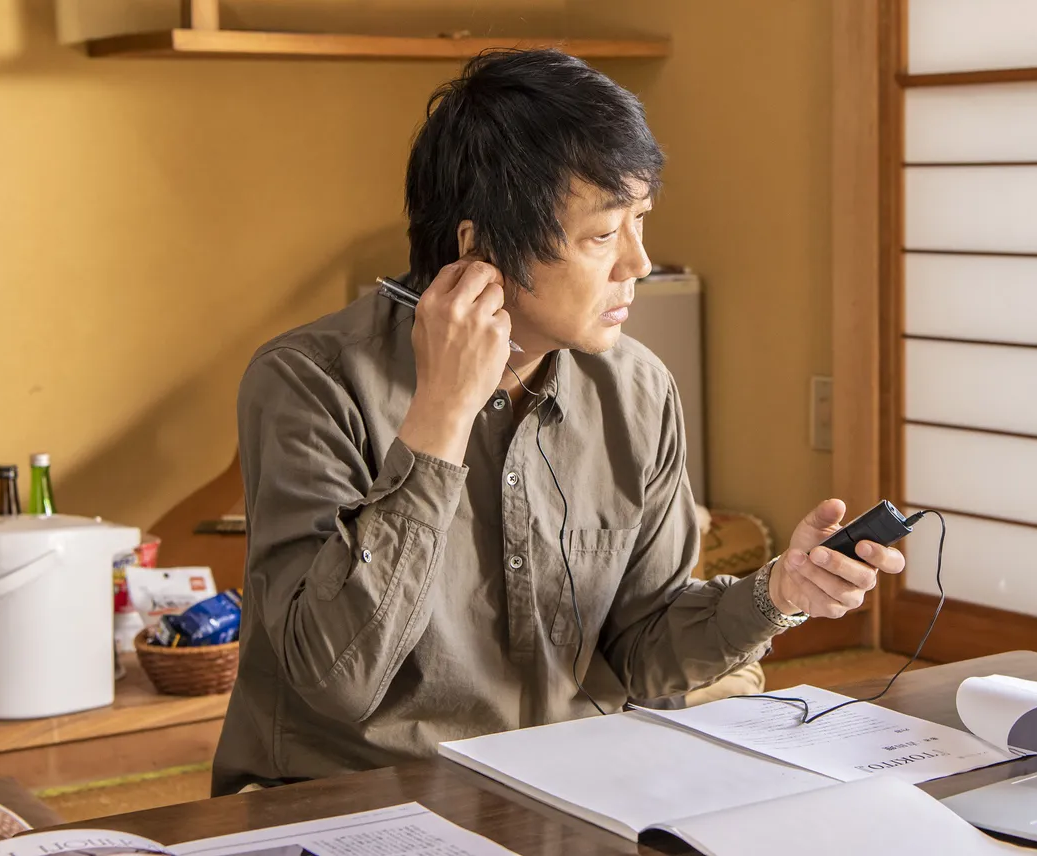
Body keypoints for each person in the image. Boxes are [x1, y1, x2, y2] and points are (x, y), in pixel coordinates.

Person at [212, 48, 905, 796]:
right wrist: (442, 415)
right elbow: (336, 680)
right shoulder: (309, 380)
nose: (638, 263)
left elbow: (640, 652)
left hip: (569, 795)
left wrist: (781, 593)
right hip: (362, 806)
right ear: (479, 249)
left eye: (640, 222)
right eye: (603, 235)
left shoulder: (637, 387)